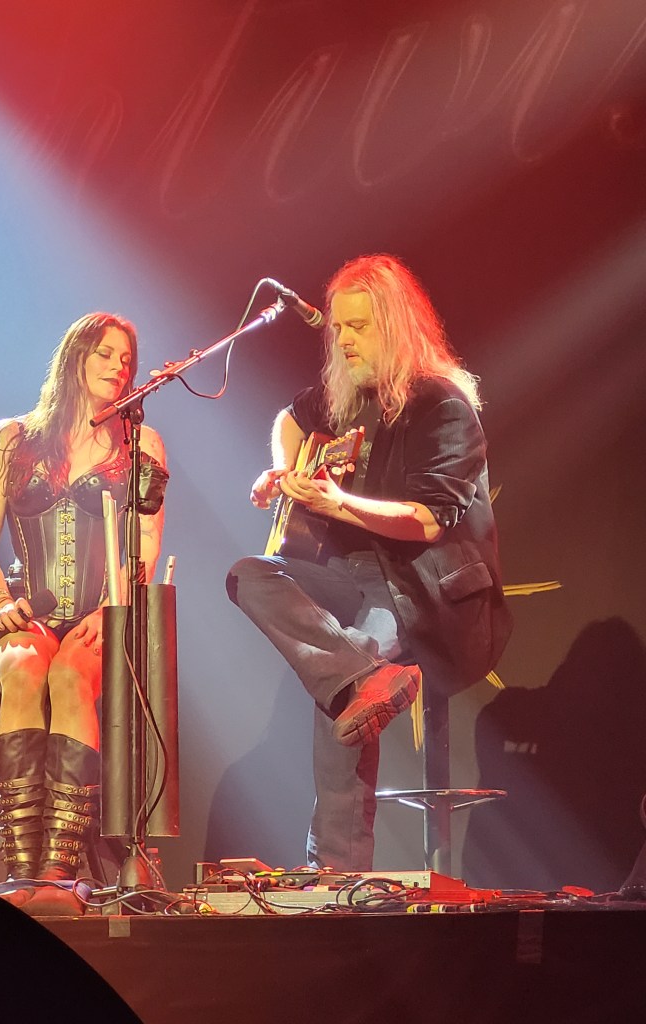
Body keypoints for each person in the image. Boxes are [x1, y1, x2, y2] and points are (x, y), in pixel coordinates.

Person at [227, 254, 511, 872]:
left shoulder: (443, 406)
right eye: (338, 328)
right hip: (350, 577)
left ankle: (334, 868)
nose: (343, 340)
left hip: (424, 587)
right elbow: (289, 417)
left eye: (359, 327)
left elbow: (428, 521)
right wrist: (283, 468)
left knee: (344, 677)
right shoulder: (345, 397)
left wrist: (338, 503)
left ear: (396, 326)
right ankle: (362, 680)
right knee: (251, 574)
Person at [0, 312, 167, 901]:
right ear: (74, 357)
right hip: (26, 613)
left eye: (126, 359)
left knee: (71, 675)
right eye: (105, 353)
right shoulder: (11, 439)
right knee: (26, 664)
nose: (118, 367)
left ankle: (56, 870)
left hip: (103, 615)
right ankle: (22, 866)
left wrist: (111, 610)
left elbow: (146, 546)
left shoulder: (140, 445)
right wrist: (0, 602)